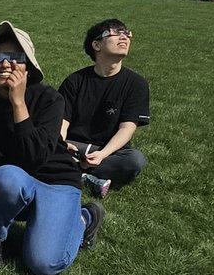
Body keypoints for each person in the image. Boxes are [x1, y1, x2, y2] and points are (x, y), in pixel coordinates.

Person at [0, 21, 103, 275]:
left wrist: (18, 104)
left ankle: (84, 218)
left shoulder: (49, 100)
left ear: (28, 67)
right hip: (14, 182)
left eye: (15, 58)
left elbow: (35, 158)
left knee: (43, 264)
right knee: (6, 176)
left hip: (55, 181)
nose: (4, 64)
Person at [59, 18, 150, 195]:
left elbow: (127, 128)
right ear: (96, 45)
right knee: (42, 145)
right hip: (73, 145)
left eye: (126, 33)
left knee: (135, 160)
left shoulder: (136, 84)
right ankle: (85, 177)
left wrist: (101, 155)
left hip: (109, 151)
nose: (123, 37)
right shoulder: (75, 81)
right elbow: (61, 121)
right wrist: (60, 144)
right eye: (115, 33)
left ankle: (69, 172)